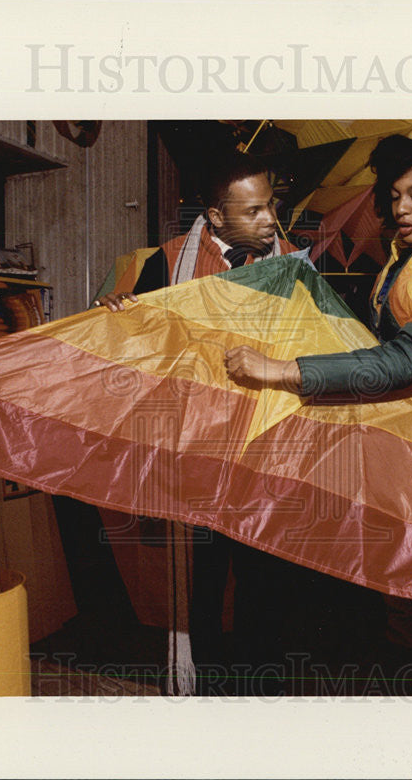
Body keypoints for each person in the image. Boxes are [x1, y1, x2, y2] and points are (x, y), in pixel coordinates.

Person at [224, 123, 412, 696]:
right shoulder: (408, 258)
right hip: (408, 446)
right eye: (394, 196)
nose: (401, 208)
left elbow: (403, 362)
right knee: (404, 593)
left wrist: (284, 371)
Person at [93, 151, 301, 695]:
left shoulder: (295, 264)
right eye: (253, 211)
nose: (268, 221)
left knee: (267, 580)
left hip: (267, 445)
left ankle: (261, 692)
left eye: (270, 206)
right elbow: (144, 339)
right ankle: (206, 691)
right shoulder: (169, 261)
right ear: (214, 216)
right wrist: (120, 317)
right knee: (201, 579)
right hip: (200, 446)